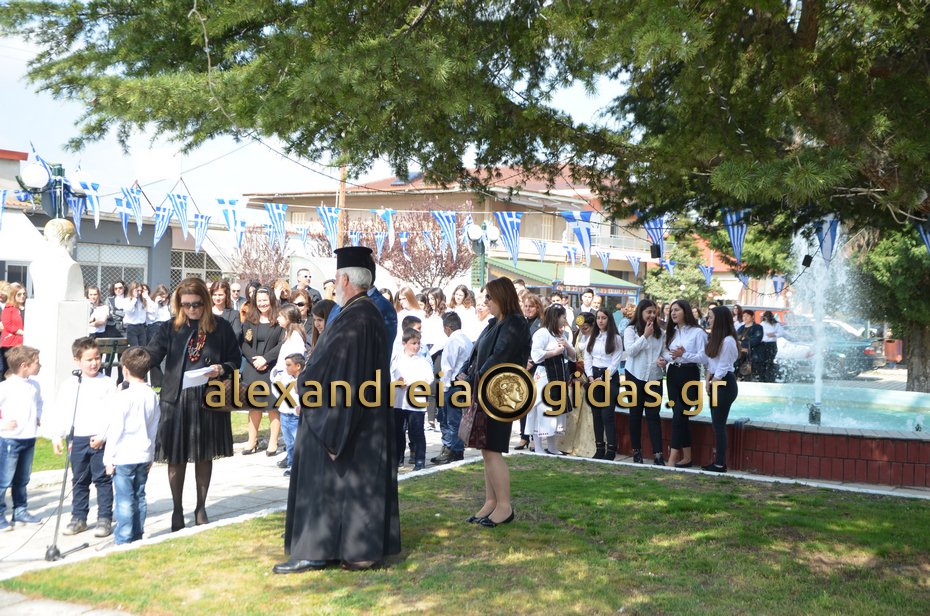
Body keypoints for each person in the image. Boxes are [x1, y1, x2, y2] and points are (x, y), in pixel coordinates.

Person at [276, 246, 399, 573]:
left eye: (335, 278)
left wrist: (306, 383)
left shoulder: (357, 316)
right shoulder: (365, 312)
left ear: (345, 280)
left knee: (329, 480)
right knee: (354, 484)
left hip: (342, 413)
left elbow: (337, 369)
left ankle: (316, 550)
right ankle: (353, 549)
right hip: (361, 414)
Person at [145, 277, 241, 531]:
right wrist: (133, 367)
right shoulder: (169, 327)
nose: (191, 309)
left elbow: (235, 359)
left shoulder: (221, 327)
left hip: (208, 398)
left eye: (196, 304)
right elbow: (152, 354)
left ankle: (201, 507)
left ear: (205, 302)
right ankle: (177, 509)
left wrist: (222, 368)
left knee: (204, 455)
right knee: (175, 456)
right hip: (176, 399)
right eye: (185, 305)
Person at [462, 277, 530, 528]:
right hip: (486, 389)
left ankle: (504, 507)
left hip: (500, 393)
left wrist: (475, 377)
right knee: (487, 448)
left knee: (492, 448)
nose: (485, 302)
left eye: (489, 297)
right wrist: (466, 372)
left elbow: (500, 356)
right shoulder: (495, 323)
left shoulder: (515, 323)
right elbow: (477, 353)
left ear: (502, 296)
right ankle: (492, 502)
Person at [52, 337, 118, 537]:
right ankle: (78, 517)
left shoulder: (107, 382)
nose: (94, 363)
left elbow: (113, 413)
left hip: (99, 439)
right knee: (79, 480)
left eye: (97, 358)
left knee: (103, 479)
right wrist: (57, 435)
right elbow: (62, 411)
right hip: (78, 439)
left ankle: (104, 518)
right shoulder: (70, 384)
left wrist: (103, 436)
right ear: (77, 361)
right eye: (89, 360)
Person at [103, 346, 161, 544]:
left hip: (123, 456)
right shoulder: (152, 395)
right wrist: (151, 454)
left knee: (125, 500)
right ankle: (137, 534)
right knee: (139, 496)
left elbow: (115, 429)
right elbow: (153, 428)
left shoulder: (123, 397)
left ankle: (123, 538)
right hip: (143, 454)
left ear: (125, 370)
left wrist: (108, 458)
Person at [658, 299, 707, 468]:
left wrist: (684, 355)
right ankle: (687, 458)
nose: (673, 313)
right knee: (680, 416)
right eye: (671, 310)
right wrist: (665, 359)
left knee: (679, 415)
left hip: (689, 374)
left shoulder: (697, 332)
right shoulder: (671, 332)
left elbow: (704, 357)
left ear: (685, 312)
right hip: (673, 374)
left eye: (676, 310)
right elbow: (667, 352)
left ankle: (672, 459)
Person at [0, 345, 44, 530]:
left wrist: (38, 416)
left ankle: (20, 510)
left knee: (22, 479)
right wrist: (3, 425)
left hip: (29, 438)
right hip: (10, 440)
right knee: (4, 480)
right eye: (37, 363)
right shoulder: (6, 387)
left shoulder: (34, 386)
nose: (40, 366)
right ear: (24, 365)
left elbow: (39, 403)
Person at [695, 306, 740, 472]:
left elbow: (723, 367)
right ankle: (718, 462)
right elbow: (711, 363)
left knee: (719, 424)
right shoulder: (715, 338)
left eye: (711, 317)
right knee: (716, 423)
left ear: (719, 319)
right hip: (715, 381)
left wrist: (713, 381)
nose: (708, 320)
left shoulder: (728, 341)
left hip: (724, 383)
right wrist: (707, 380)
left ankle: (720, 463)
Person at [240, 286, 284, 456]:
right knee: (254, 406)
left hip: (272, 368)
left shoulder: (280, 320)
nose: (262, 303)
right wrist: (255, 360)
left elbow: (282, 344)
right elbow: (244, 343)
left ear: (271, 300)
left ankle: (273, 442)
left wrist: (266, 359)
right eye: (259, 301)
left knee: (273, 406)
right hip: (253, 368)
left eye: (265, 300)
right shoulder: (250, 319)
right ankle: (252, 441)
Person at [527, 304, 575, 455]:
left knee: (555, 410)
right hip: (544, 375)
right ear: (556, 317)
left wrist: (567, 346)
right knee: (542, 408)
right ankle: (538, 446)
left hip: (558, 375)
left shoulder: (560, 334)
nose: (565, 320)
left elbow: (573, 355)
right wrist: (554, 352)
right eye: (563, 317)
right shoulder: (541, 333)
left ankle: (552, 446)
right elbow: (536, 355)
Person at [623, 299, 665, 465]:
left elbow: (664, 352)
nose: (652, 315)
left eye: (654, 312)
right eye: (649, 312)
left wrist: (664, 360)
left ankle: (658, 455)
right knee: (635, 414)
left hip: (654, 377)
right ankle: (637, 452)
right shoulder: (630, 330)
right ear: (641, 312)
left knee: (654, 415)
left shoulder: (660, 332)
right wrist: (645, 336)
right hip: (635, 375)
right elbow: (630, 351)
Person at [431, 312, 473, 465]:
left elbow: (448, 367)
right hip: (463, 384)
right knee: (457, 419)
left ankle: (452, 450)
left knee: (450, 420)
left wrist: (444, 387)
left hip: (452, 385)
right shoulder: (467, 340)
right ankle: (455, 449)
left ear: (447, 328)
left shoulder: (452, 341)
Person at [391, 328, 434, 471]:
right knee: (398, 432)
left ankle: (420, 460)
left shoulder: (422, 361)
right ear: (405, 343)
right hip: (399, 401)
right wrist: (397, 382)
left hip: (415, 402)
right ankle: (398, 459)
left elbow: (428, 378)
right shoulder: (397, 359)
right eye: (413, 343)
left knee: (417, 431)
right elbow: (390, 375)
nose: (416, 346)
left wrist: (411, 382)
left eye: (418, 343)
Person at [584, 308, 623, 460]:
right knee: (596, 415)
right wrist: (590, 376)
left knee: (607, 415)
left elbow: (615, 361)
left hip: (609, 377)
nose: (600, 321)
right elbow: (588, 357)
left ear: (609, 320)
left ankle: (611, 449)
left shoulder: (616, 338)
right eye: (598, 318)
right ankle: (599, 448)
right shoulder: (592, 337)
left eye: (604, 318)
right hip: (594, 376)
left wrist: (603, 377)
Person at [556, 312, 596, 457]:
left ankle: (584, 446)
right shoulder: (578, 336)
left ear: (592, 326)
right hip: (577, 375)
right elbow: (573, 356)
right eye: (580, 327)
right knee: (573, 409)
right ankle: (566, 444)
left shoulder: (596, 339)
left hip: (590, 375)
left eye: (585, 328)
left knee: (588, 412)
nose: (582, 330)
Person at [272, 353, 305, 477]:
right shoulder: (284, 378)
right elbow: (277, 392)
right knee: (289, 444)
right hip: (284, 415)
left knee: (298, 444)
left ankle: (299, 467)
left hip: (296, 418)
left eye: (289, 365)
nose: (286, 367)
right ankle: (291, 465)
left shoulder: (303, 380)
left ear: (298, 366)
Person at [1, 283, 26, 376]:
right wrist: (24, 332)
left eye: (24, 294)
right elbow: (8, 325)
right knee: (9, 370)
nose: (22, 296)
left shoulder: (28, 308)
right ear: (13, 295)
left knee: (21, 369)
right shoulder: (9, 308)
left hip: (24, 343)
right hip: (11, 344)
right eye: (19, 294)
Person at [736, 310, 763, 381]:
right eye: (743, 316)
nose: (745, 318)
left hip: (752, 355)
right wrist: (740, 347)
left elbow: (756, 340)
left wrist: (743, 344)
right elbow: (735, 339)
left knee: (750, 376)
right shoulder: (741, 328)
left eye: (747, 316)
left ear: (752, 317)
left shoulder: (758, 327)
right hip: (740, 356)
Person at [121, 282, 149, 347]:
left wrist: (147, 297)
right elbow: (128, 311)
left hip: (141, 326)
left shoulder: (142, 301)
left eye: (140, 291)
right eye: (137, 290)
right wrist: (134, 299)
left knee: (143, 348)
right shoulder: (127, 300)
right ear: (132, 290)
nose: (139, 292)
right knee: (135, 348)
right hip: (131, 326)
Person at [759, 311, 783, 382]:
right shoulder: (762, 324)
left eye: (768, 317)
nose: (766, 318)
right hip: (763, 344)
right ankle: (762, 377)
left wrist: (774, 335)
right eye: (765, 317)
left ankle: (769, 377)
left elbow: (781, 333)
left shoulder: (776, 324)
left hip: (771, 344)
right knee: (763, 361)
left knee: (770, 361)